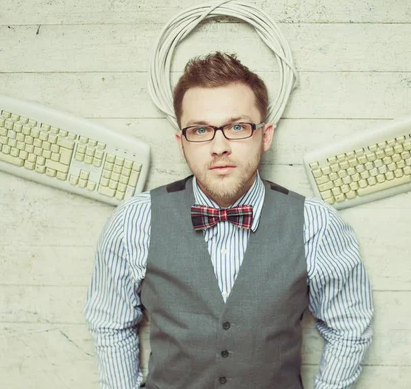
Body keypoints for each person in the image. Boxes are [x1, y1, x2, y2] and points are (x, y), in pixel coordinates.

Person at [84, 52, 374, 389]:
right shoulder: (134, 221)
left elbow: (349, 328)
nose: (219, 146)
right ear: (182, 143)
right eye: (200, 129)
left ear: (265, 136)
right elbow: (110, 324)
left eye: (237, 127)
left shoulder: (318, 224)